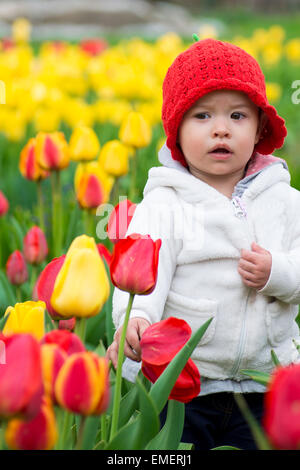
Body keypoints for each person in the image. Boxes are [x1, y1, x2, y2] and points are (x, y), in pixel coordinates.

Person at [106, 38, 300, 450]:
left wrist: (277, 273)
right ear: (176, 129)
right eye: (202, 115)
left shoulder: (284, 200)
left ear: (260, 127)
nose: (221, 128)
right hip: (186, 387)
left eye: (237, 115)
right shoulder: (166, 202)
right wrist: (136, 317)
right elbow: (144, 274)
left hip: (265, 383)